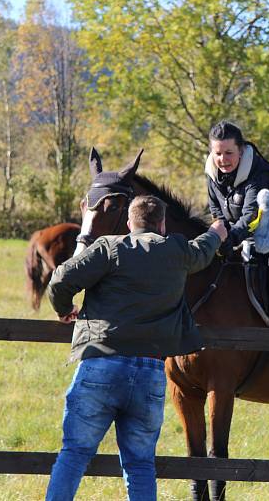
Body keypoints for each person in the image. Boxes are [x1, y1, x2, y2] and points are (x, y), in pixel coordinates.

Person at [45, 195, 227, 501]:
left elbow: (61, 278)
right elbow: (204, 250)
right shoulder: (177, 251)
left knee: (74, 454)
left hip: (101, 363)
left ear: (130, 223)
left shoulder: (109, 248)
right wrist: (218, 232)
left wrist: (65, 309)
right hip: (151, 371)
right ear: (163, 224)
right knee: (140, 464)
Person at [205, 120, 269, 379]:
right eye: (217, 153)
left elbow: (253, 216)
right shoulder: (212, 175)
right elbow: (217, 213)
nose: (223, 159)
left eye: (229, 153)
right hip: (245, 243)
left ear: (241, 150)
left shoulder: (260, 175)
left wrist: (229, 238)